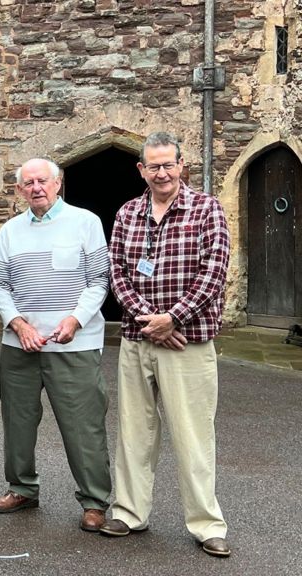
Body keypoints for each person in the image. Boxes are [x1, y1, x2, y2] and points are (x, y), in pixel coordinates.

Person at [101, 132, 232, 558]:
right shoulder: (128, 213)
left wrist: (172, 318)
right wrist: (149, 321)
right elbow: (116, 273)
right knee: (134, 431)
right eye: (153, 166)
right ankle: (129, 512)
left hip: (187, 343)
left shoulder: (207, 209)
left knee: (194, 436)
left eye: (168, 165)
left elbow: (214, 272)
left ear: (182, 166)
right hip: (139, 341)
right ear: (141, 169)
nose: (162, 173)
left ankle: (207, 524)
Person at [0, 158, 112, 532]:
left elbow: (99, 281)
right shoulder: (10, 230)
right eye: (28, 183)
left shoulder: (85, 222)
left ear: (58, 183)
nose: (36, 187)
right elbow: (0, 285)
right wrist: (18, 324)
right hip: (19, 345)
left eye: (43, 180)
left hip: (73, 344)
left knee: (83, 426)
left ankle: (94, 501)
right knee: (18, 423)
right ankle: (22, 488)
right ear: (19, 190)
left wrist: (75, 319)